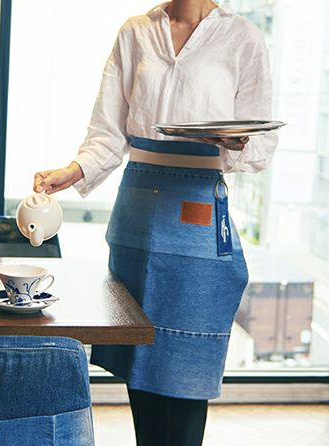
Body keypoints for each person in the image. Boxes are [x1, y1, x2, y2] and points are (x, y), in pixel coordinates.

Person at [33, 1, 278, 444]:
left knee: (186, 369)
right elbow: (108, 131)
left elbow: (261, 143)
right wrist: (73, 172)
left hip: (197, 207)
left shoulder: (242, 36)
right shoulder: (135, 31)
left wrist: (237, 140)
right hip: (138, 209)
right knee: (141, 364)